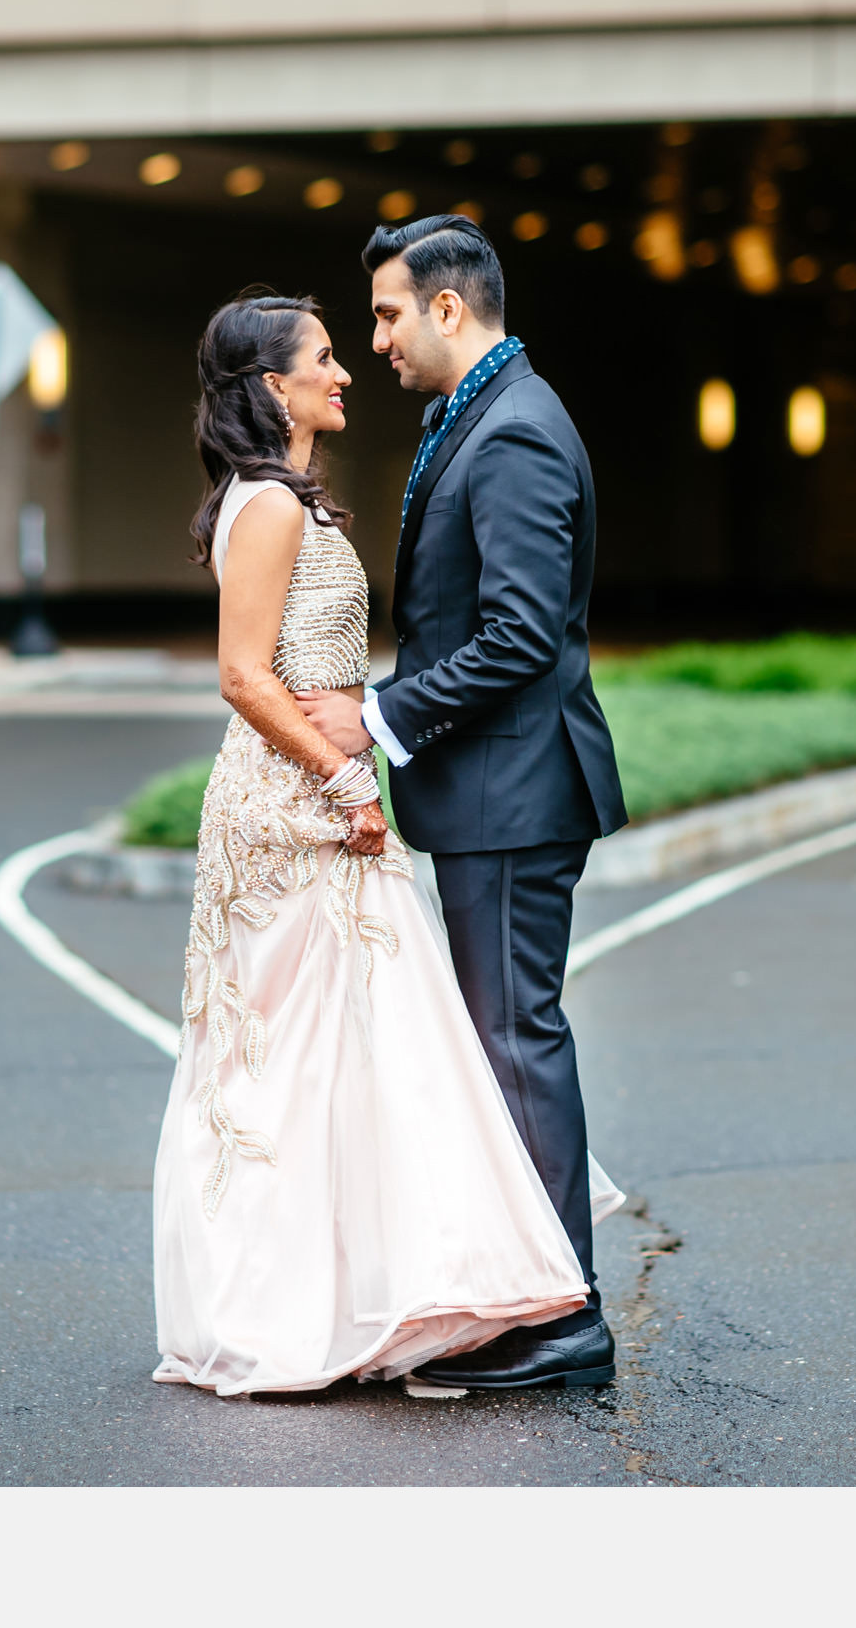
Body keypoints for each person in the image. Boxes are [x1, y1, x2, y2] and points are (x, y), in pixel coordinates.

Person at [151, 288, 620, 1397]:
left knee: (352, 1063)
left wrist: (357, 754)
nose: (349, 366)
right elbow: (242, 674)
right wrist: (345, 772)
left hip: (327, 803)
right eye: (324, 354)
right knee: (290, 1068)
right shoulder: (265, 506)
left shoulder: (286, 497)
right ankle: (292, 1307)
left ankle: (391, 1292)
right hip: (292, 813)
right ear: (272, 387)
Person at [293, 216, 629, 1392]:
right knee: (502, 1047)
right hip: (491, 791)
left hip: (515, 794)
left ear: (448, 307)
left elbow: (522, 636)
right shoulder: (475, 413)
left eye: (386, 313)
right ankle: (530, 1293)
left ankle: (566, 1319)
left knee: (515, 1043)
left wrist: (382, 720)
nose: (372, 338)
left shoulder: (520, 431)